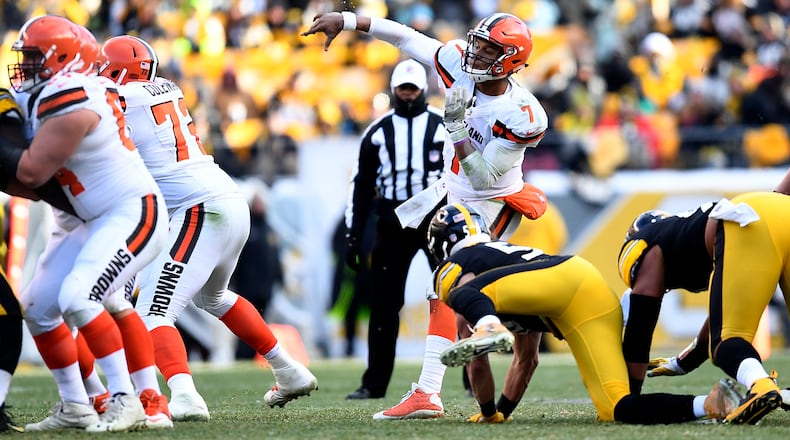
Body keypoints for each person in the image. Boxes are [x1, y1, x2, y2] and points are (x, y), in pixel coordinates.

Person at [303, 10, 549, 419]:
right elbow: (404, 37)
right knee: (447, 288)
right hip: (452, 194)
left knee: (452, 286)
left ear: (510, 59)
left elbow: (487, 178)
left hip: (494, 202)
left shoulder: (522, 112)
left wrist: (455, 132)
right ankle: (436, 386)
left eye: (489, 49)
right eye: (479, 43)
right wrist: (346, 20)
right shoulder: (460, 64)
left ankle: (438, 385)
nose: (476, 54)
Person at [97, 34, 317, 421]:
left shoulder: (123, 97)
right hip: (227, 200)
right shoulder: (166, 88)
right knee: (213, 298)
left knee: (153, 313)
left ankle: (184, 396)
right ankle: (288, 368)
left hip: (199, 209)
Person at [3, 15, 169, 432]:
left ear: (63, 58)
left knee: (80, 296)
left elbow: (28, 173)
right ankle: (76, 404)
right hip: (91, 218)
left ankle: (125, 399)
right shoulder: (52, 90)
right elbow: (32, 186)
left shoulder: (73, 96)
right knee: (39, 307)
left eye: (35, 58)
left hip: (132, 212)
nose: (25, 68)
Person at [426, 203, 739, 424]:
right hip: (584, 286)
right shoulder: (508, 261)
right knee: (619, 407)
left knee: (460, 294)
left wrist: (487, 410)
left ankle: (490, 325)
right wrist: (503, 411)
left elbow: (477, 361)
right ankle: (712, 404)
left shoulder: (457, 267)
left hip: (554, 283)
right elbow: (526, 359)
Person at [344, 59, 446, 400]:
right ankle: (374, 384)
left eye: (412, 88)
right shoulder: (376, 132)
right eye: (402, 88)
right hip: (392, 221)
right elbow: (361, 186)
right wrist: (354, 234)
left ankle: (471, 380)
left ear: (422, 90)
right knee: (384, 307)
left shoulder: (444, 126)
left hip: (437, 222)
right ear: (393, 89)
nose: (407, 94)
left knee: (455, 299)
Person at [616, 204, 715, 395]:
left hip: (737, 226)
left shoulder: (649, 245)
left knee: (726, 349)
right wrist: (685, 361)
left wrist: (629, 396)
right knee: (728, 340)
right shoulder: (691, 237)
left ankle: (759, 384)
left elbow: (639, 332)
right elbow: (724, 313)